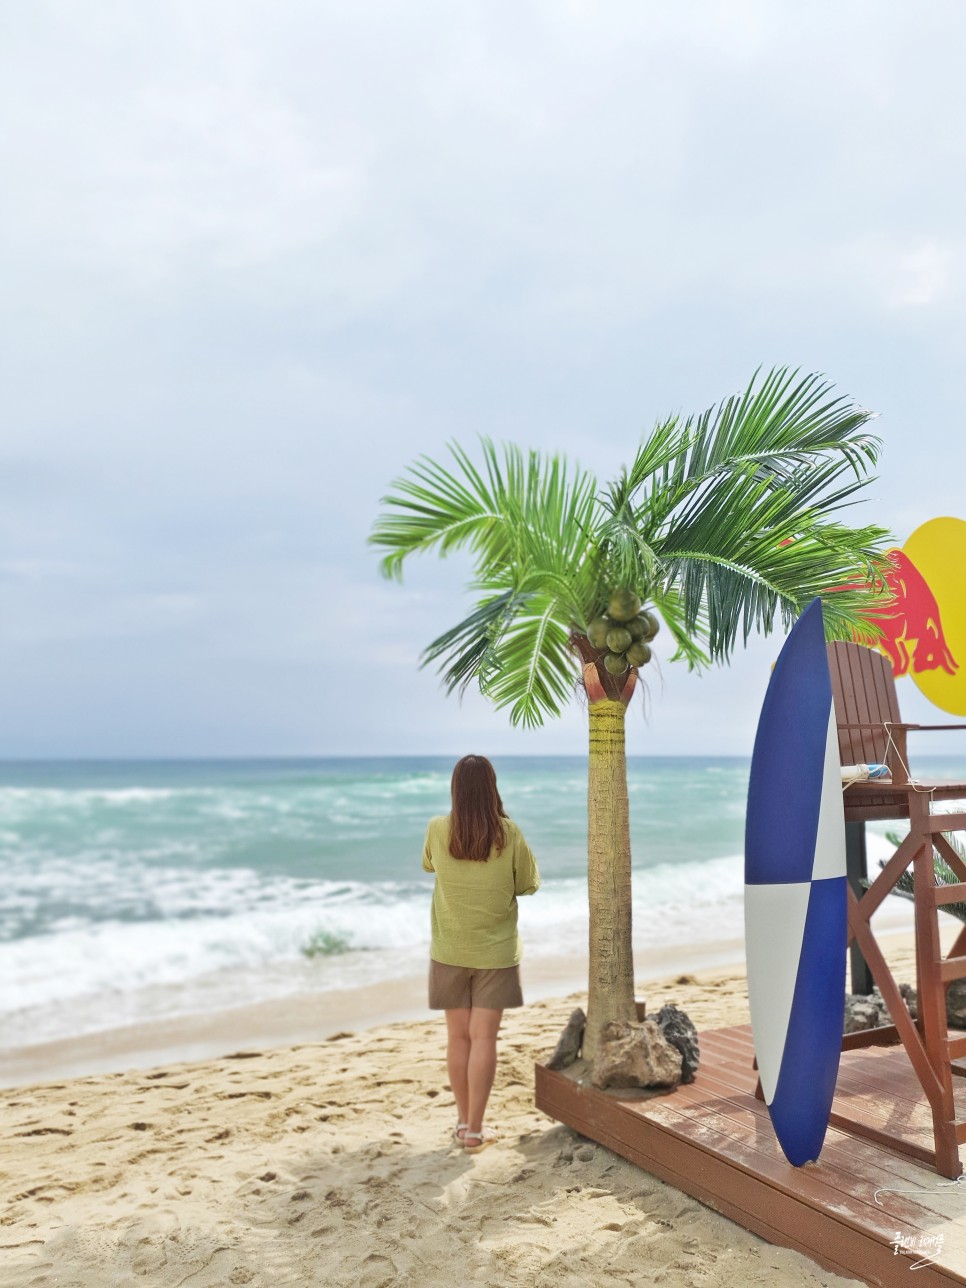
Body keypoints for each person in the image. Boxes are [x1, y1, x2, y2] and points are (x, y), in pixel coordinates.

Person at [422, 754, 540, 1153]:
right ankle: (475, 1130)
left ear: (456, 789)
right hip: (496, 953)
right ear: (492, 789)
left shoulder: (438, 829)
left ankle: (460, 1123)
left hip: (449, 950)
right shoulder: (509, 833)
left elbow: (428, 865)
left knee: (458, 1038)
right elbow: (527, 884)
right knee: (484, 1038)